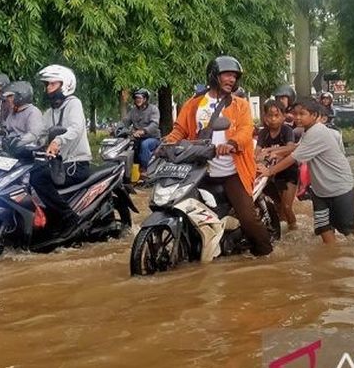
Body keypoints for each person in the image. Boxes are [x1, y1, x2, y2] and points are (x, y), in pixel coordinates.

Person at [161, 56, 273, 256]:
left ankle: (265, 254)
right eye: (227, 75)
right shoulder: (194, 104)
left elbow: (247, 130)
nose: (231, 79)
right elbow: (180, 130)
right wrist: (167, 142)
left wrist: (231, 143)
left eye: (234, 76)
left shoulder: (240, 105)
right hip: (199, 171)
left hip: (232, 171)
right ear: (214, 76)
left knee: (247, 217)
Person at [260, 98, 354, 243]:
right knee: (323, 227)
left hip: (339, 187)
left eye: (302, 114)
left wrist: (269, 171)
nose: (297, 117)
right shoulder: (308, 131)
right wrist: (273, 150)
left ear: (315, 115)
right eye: (295, 113)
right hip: (320, 190)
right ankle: (331, 258)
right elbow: (297, 147)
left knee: (347, 224)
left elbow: (293, 157)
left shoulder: (317, 132)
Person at [30, 65, 92, 229]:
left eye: (52, 84)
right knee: (28, 173)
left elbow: (76, 128)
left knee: (38, 177)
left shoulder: (74, 104)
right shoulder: (50, 112)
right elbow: (39, 133)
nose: (47, 89)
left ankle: (69, 217)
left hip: (75, 164)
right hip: (57, 164)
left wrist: (58, 141)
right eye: (47, 85)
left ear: (65, 84)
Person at [256, 99, 299, 231]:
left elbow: (291, 148)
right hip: (272, 174)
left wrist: (269, 150)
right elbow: (256, 153)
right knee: (277, 205)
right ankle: (282, 231)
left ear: (283, 116)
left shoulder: (287, 131)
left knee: (286, 206)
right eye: (270, 115)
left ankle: (293, 228)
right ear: (265, 117)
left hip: (289, 172)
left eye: (277, 115)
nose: (273, 119)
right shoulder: (263, 133)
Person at [120, 88, 161, 175]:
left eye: (140, 98)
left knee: (144, 144)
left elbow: (154, 124)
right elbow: (125, 121)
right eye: (136, 98)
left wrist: (143, 131)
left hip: (152, 137)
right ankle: (125, 171)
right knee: (126, 145)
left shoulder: (153, 109)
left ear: (145, 99)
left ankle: (144, 170)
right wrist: (117, 128)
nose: (137, 100)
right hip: (137, 138)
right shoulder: (133, 111)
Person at [0, 81, 45, 146]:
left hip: (25, 150)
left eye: (10, 96)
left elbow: (34, 135)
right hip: (11, 149)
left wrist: (19, 141)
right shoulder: (13, 112)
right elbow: (8, 130)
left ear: (21, 96)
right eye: (7, 97)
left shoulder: (33, 112)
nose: (8, 99)